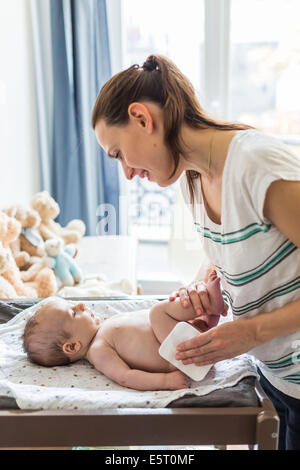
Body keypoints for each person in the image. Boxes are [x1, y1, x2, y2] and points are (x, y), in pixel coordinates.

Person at [91, 54, 300, 449]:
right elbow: (231, 245)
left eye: (118, 153)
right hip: (275, 375)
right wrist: (203, 284)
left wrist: (250, 331)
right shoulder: (193, 177)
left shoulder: (255, 164)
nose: (128, 174)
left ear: (141, 118)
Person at [22, 271, 225, 391]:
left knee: (162, 315)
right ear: (73, 346)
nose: (82, 306)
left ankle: (206, 321)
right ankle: (209, 304)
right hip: (179, 356)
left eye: (75, 304)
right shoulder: (98, 350)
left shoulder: (102, 330)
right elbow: (126, 376)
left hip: (183, 341)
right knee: (157, 313)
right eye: (74, 313)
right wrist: (166, 381)